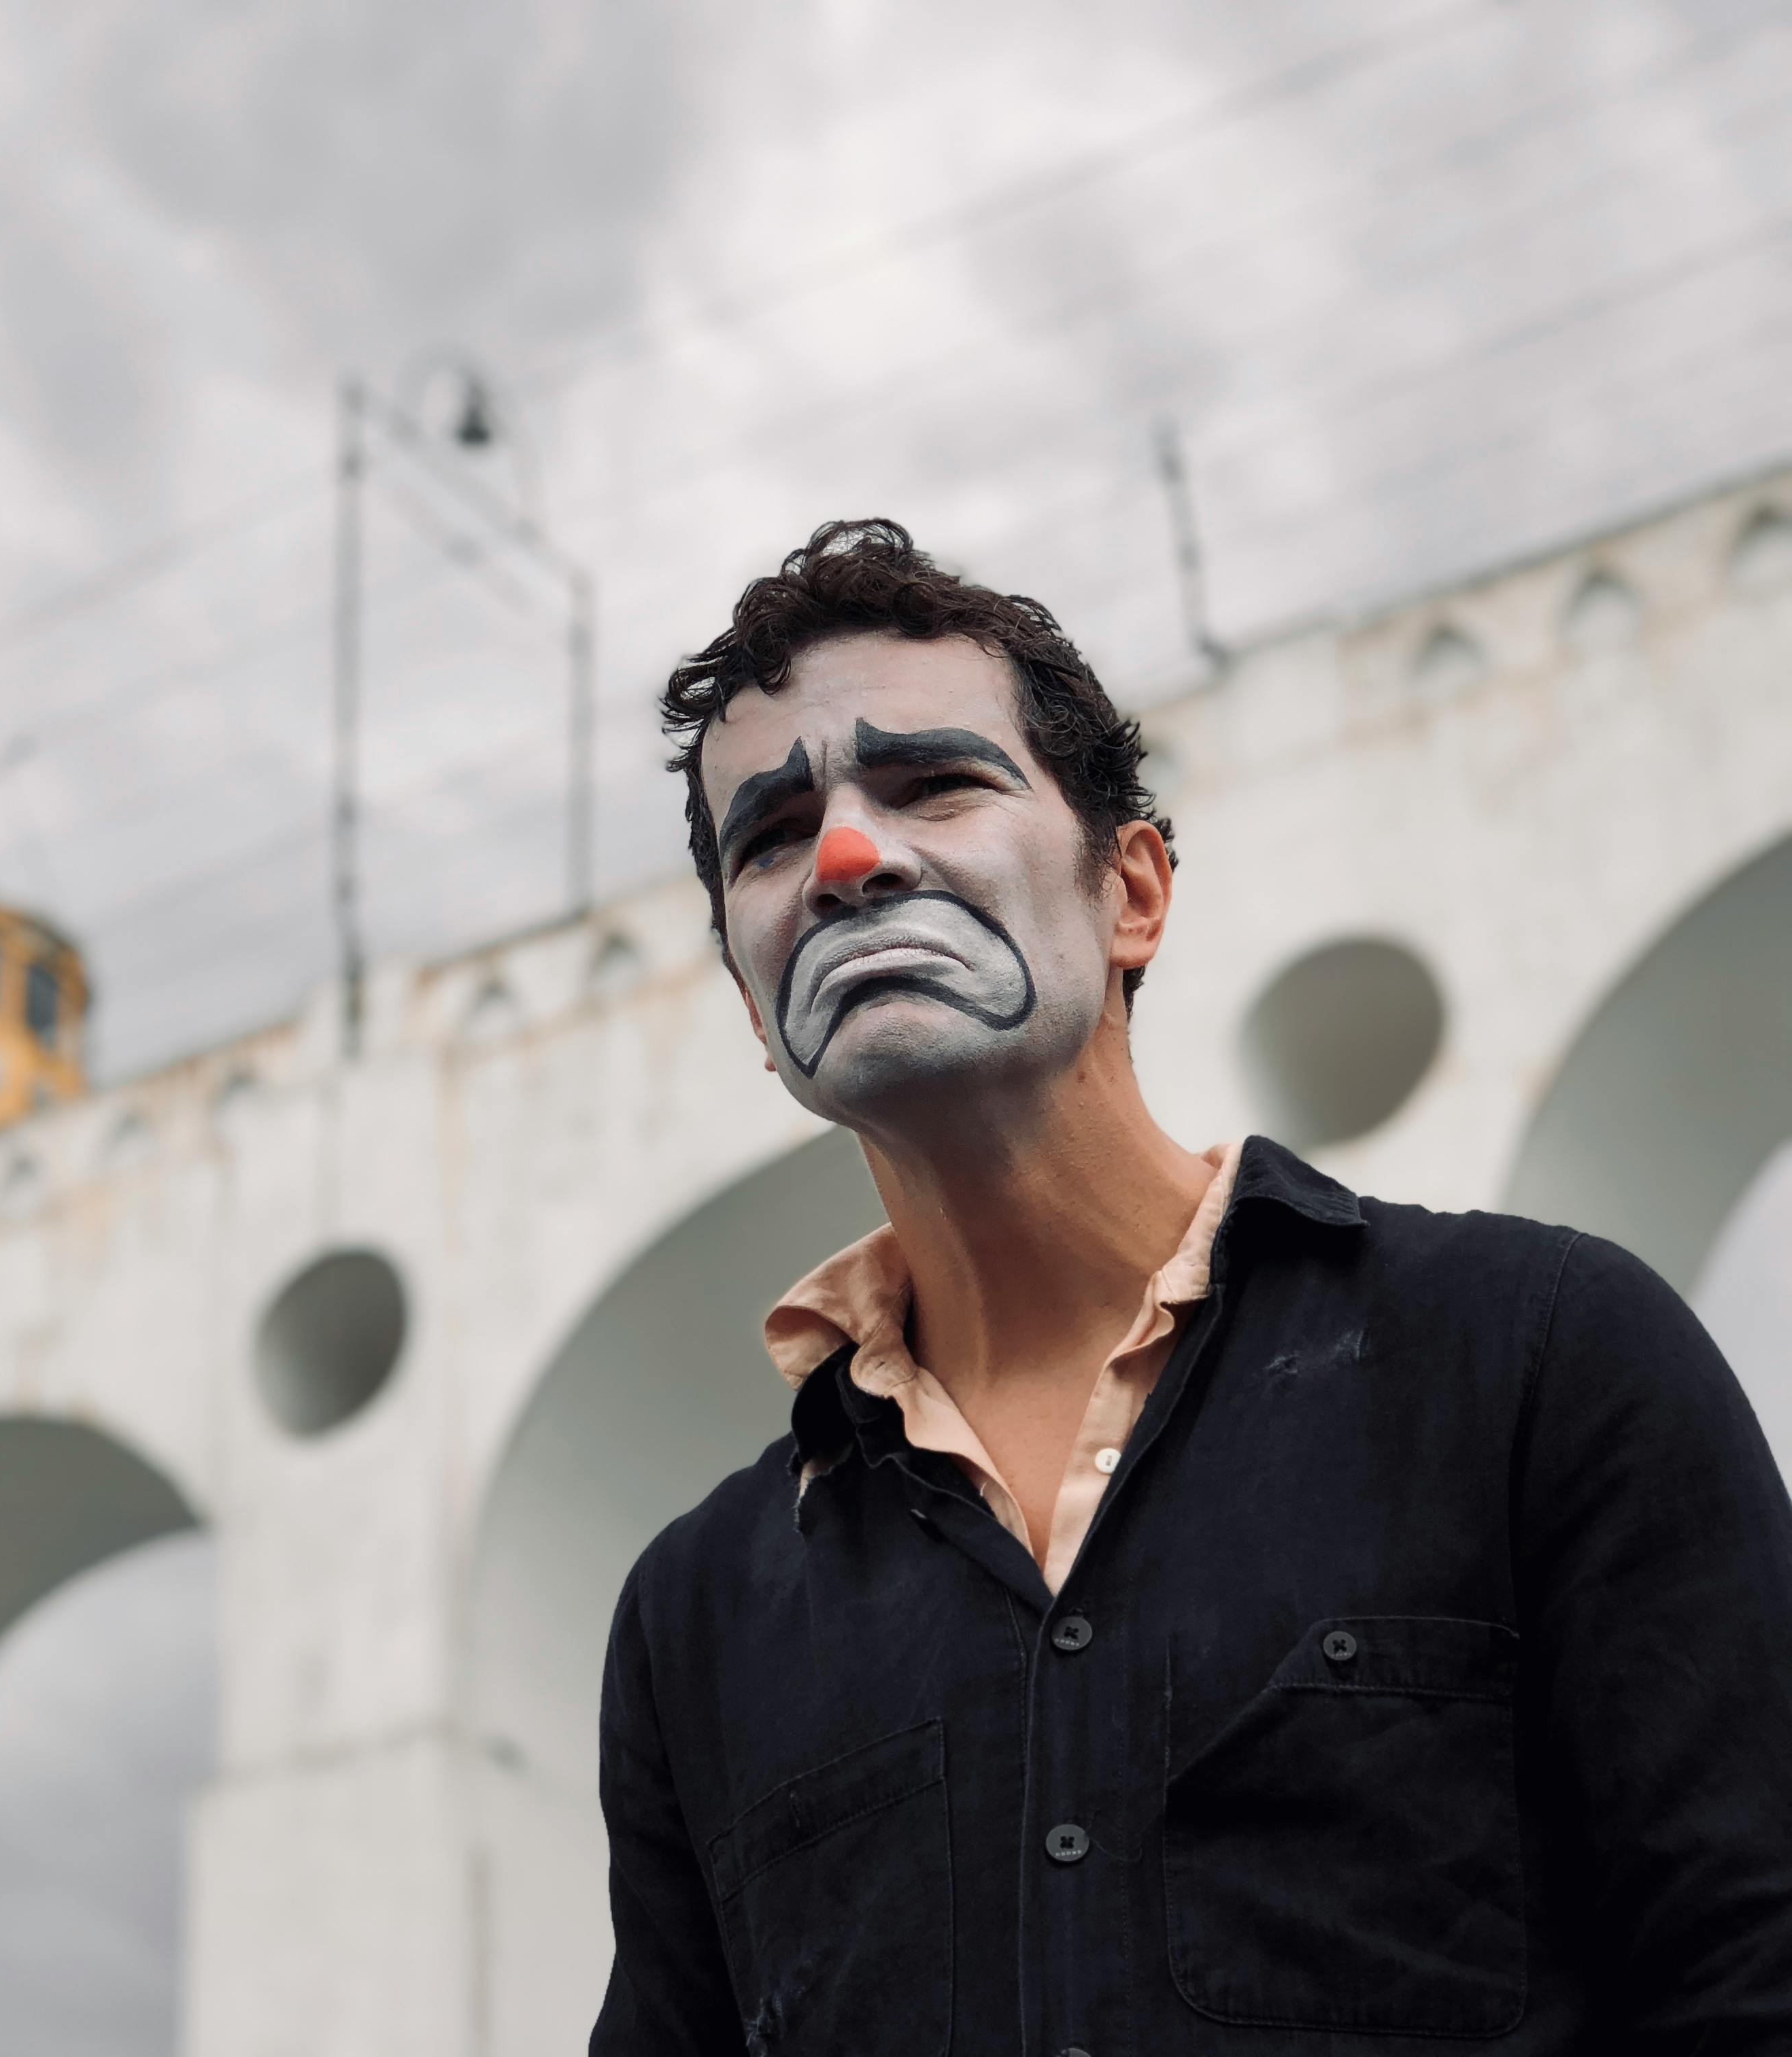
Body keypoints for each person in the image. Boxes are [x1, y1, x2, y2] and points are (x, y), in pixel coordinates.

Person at [590, 518, 1792, 2056]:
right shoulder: (696, 1611)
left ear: (1134, 892)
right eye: (769, 836)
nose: (844, 860)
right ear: (758, 1016)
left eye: (933, 783)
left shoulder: (1535, 1359)